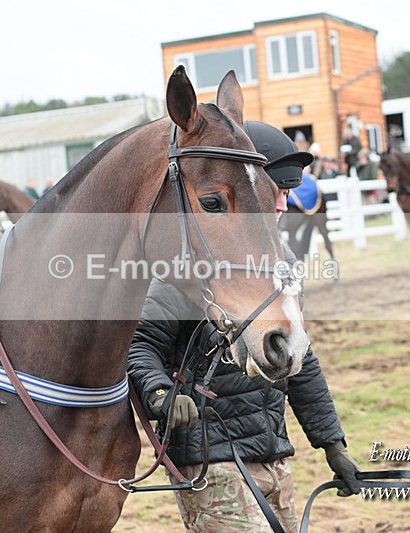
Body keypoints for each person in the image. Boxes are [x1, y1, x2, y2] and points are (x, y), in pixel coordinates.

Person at [128, 121, 360, 532]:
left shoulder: (283, 263)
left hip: (271, 452)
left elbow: (299, 357)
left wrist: (332, 443)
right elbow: (141, 345)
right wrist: (160, 393)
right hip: (210, 460)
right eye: (279, 192)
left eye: (290, 193)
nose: (285, 205)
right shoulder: (194, 263)